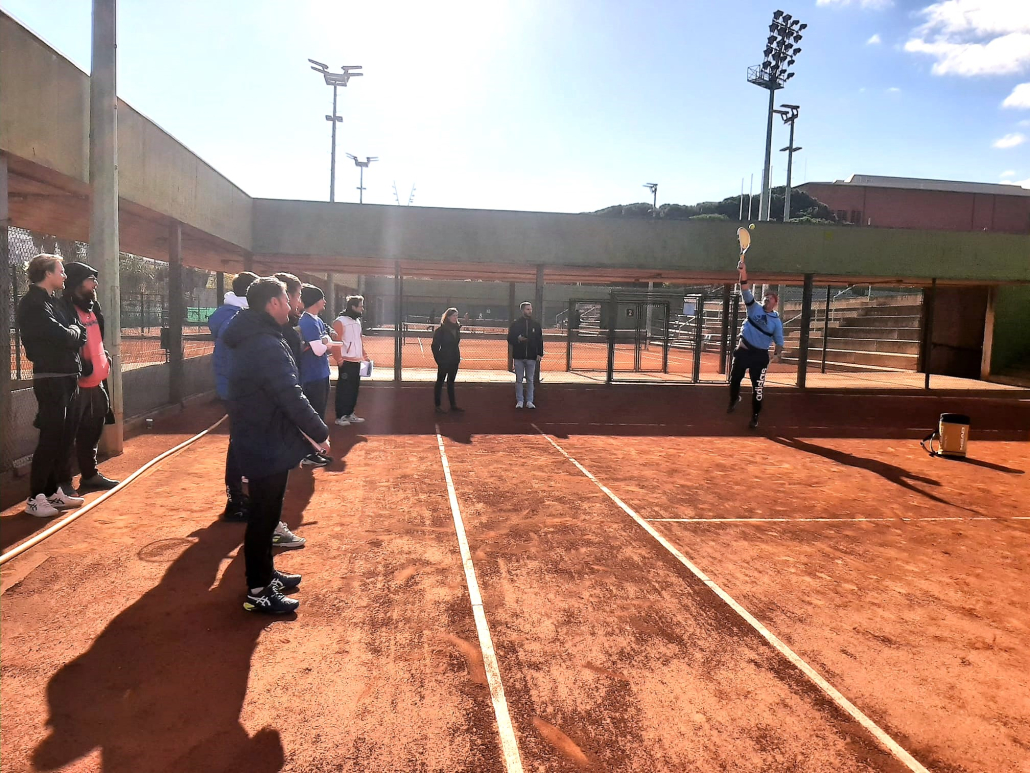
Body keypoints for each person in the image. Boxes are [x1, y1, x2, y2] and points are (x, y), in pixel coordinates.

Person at [223, 277, 330, 614]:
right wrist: (318, 431)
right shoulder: (264, 343)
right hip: (263, 438)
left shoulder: (262, 336)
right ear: (271, 303)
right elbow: (288, 392)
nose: (291, 305)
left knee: (268, 514)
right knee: (263, 516)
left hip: (265, 435)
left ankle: (266, 574)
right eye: (286, 299)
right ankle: (258, 590)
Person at [16, 255, 88, 517]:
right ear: (47, 272)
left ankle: (52, 493)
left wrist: (72, 332)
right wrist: (72, 333)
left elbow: (78, 330)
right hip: (51, 378)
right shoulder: (33, 304)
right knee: (50, 437)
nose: (65, 276)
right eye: (60, 271)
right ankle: (35, 498)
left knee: (63, 436)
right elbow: (61, 335)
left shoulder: (54, 302)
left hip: (67, 375)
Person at [62, 262, 119, 493]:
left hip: (97, 383)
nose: (95, 283)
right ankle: (63, 483)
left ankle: (90, 475)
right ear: (77, 283)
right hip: (76, 386)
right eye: (90, 279)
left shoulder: (93, 307)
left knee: (92, 431)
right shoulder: (64, 308)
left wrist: (104, 358)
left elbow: (98, 339)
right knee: (67, 435)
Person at [208, 271, 258, 521]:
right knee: (239, 443)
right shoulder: (235, 319)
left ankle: (239, 496)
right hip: (237, 390)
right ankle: (235, 500)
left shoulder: (233, 315)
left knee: (242, 441)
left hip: (236, 389)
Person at [728, 257, 784, 429]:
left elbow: (779, 341)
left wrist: (776, 354)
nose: (767, 298)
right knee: (734, 379)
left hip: (760, 356)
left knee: (757, 389)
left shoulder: (776, 321)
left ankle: (755, 416)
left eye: (771, 298)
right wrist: (743, 271)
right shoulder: (754, 307)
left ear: (776, 303)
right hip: (744, 351)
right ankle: (735, 398)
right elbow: (744, 286)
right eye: (766, 296)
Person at [297, 285, 342, 462]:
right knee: (313, 414)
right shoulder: (307, 321)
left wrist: (327, 343)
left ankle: (314, 451)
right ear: (316, 301)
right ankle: (308, 453)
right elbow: (318, 349)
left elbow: (328, 341)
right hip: (312, 376)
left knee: (320, 413)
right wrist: (327, 344)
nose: (325, 301)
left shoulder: (317, 320)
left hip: (321, 373)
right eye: (322, 298)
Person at [332, 295, 369, 426]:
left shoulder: (357, 322)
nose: (362, 309)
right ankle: (340, 416)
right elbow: (335, 342)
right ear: (353, 307)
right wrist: (339, 359)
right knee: (344, 389)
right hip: (346, 361)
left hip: (357, 361)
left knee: (354, 389)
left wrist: (364, 356)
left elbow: (359, 341)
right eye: (360, 306)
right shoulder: (340, 321)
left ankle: (350, 413)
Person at [507, 301, 544, 409]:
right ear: (522, 310)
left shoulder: (536, 325)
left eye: (530, 309)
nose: (530, 311)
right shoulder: (515, 324)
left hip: (531, 357)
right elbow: (509, 339)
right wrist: (518, 339)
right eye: (528, 309)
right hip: (519, 356)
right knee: (519, 380)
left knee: (530, 380)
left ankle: (529, 401)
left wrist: (539, 353)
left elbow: (539, 340)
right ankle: (519, 401)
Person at [431, 308, 464, 414]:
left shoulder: (457, 328)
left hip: (454, 359)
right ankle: (438, 405)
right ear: (448, 317)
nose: (456, 318)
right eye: (454, 316)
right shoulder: (441, 331)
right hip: (444, 360)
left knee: (451, 382)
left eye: (457, 316)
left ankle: (453, 405)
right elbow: (435, 346)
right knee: (440, 382)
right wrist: (439, 360)